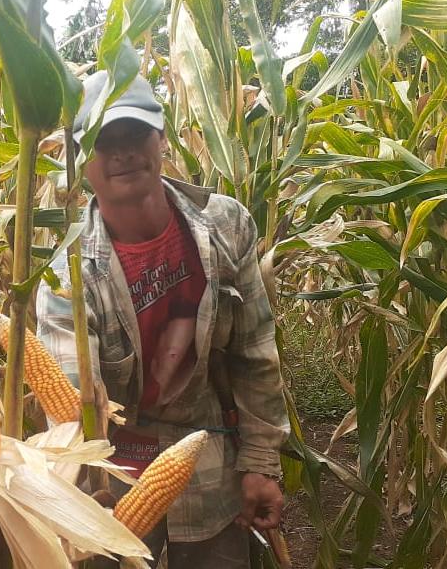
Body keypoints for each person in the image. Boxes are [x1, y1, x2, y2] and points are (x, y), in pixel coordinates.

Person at [36, 71, 290, 567]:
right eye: (104, 140)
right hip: (113, 473)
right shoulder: (66, 266)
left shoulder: (226, 225)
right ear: (79, 160)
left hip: (208, 458)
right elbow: (69, 400)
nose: (123, 151)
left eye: (135, 134)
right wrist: (82, 485)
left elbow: (254, 351)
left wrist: (261, 461)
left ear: (162, 137)